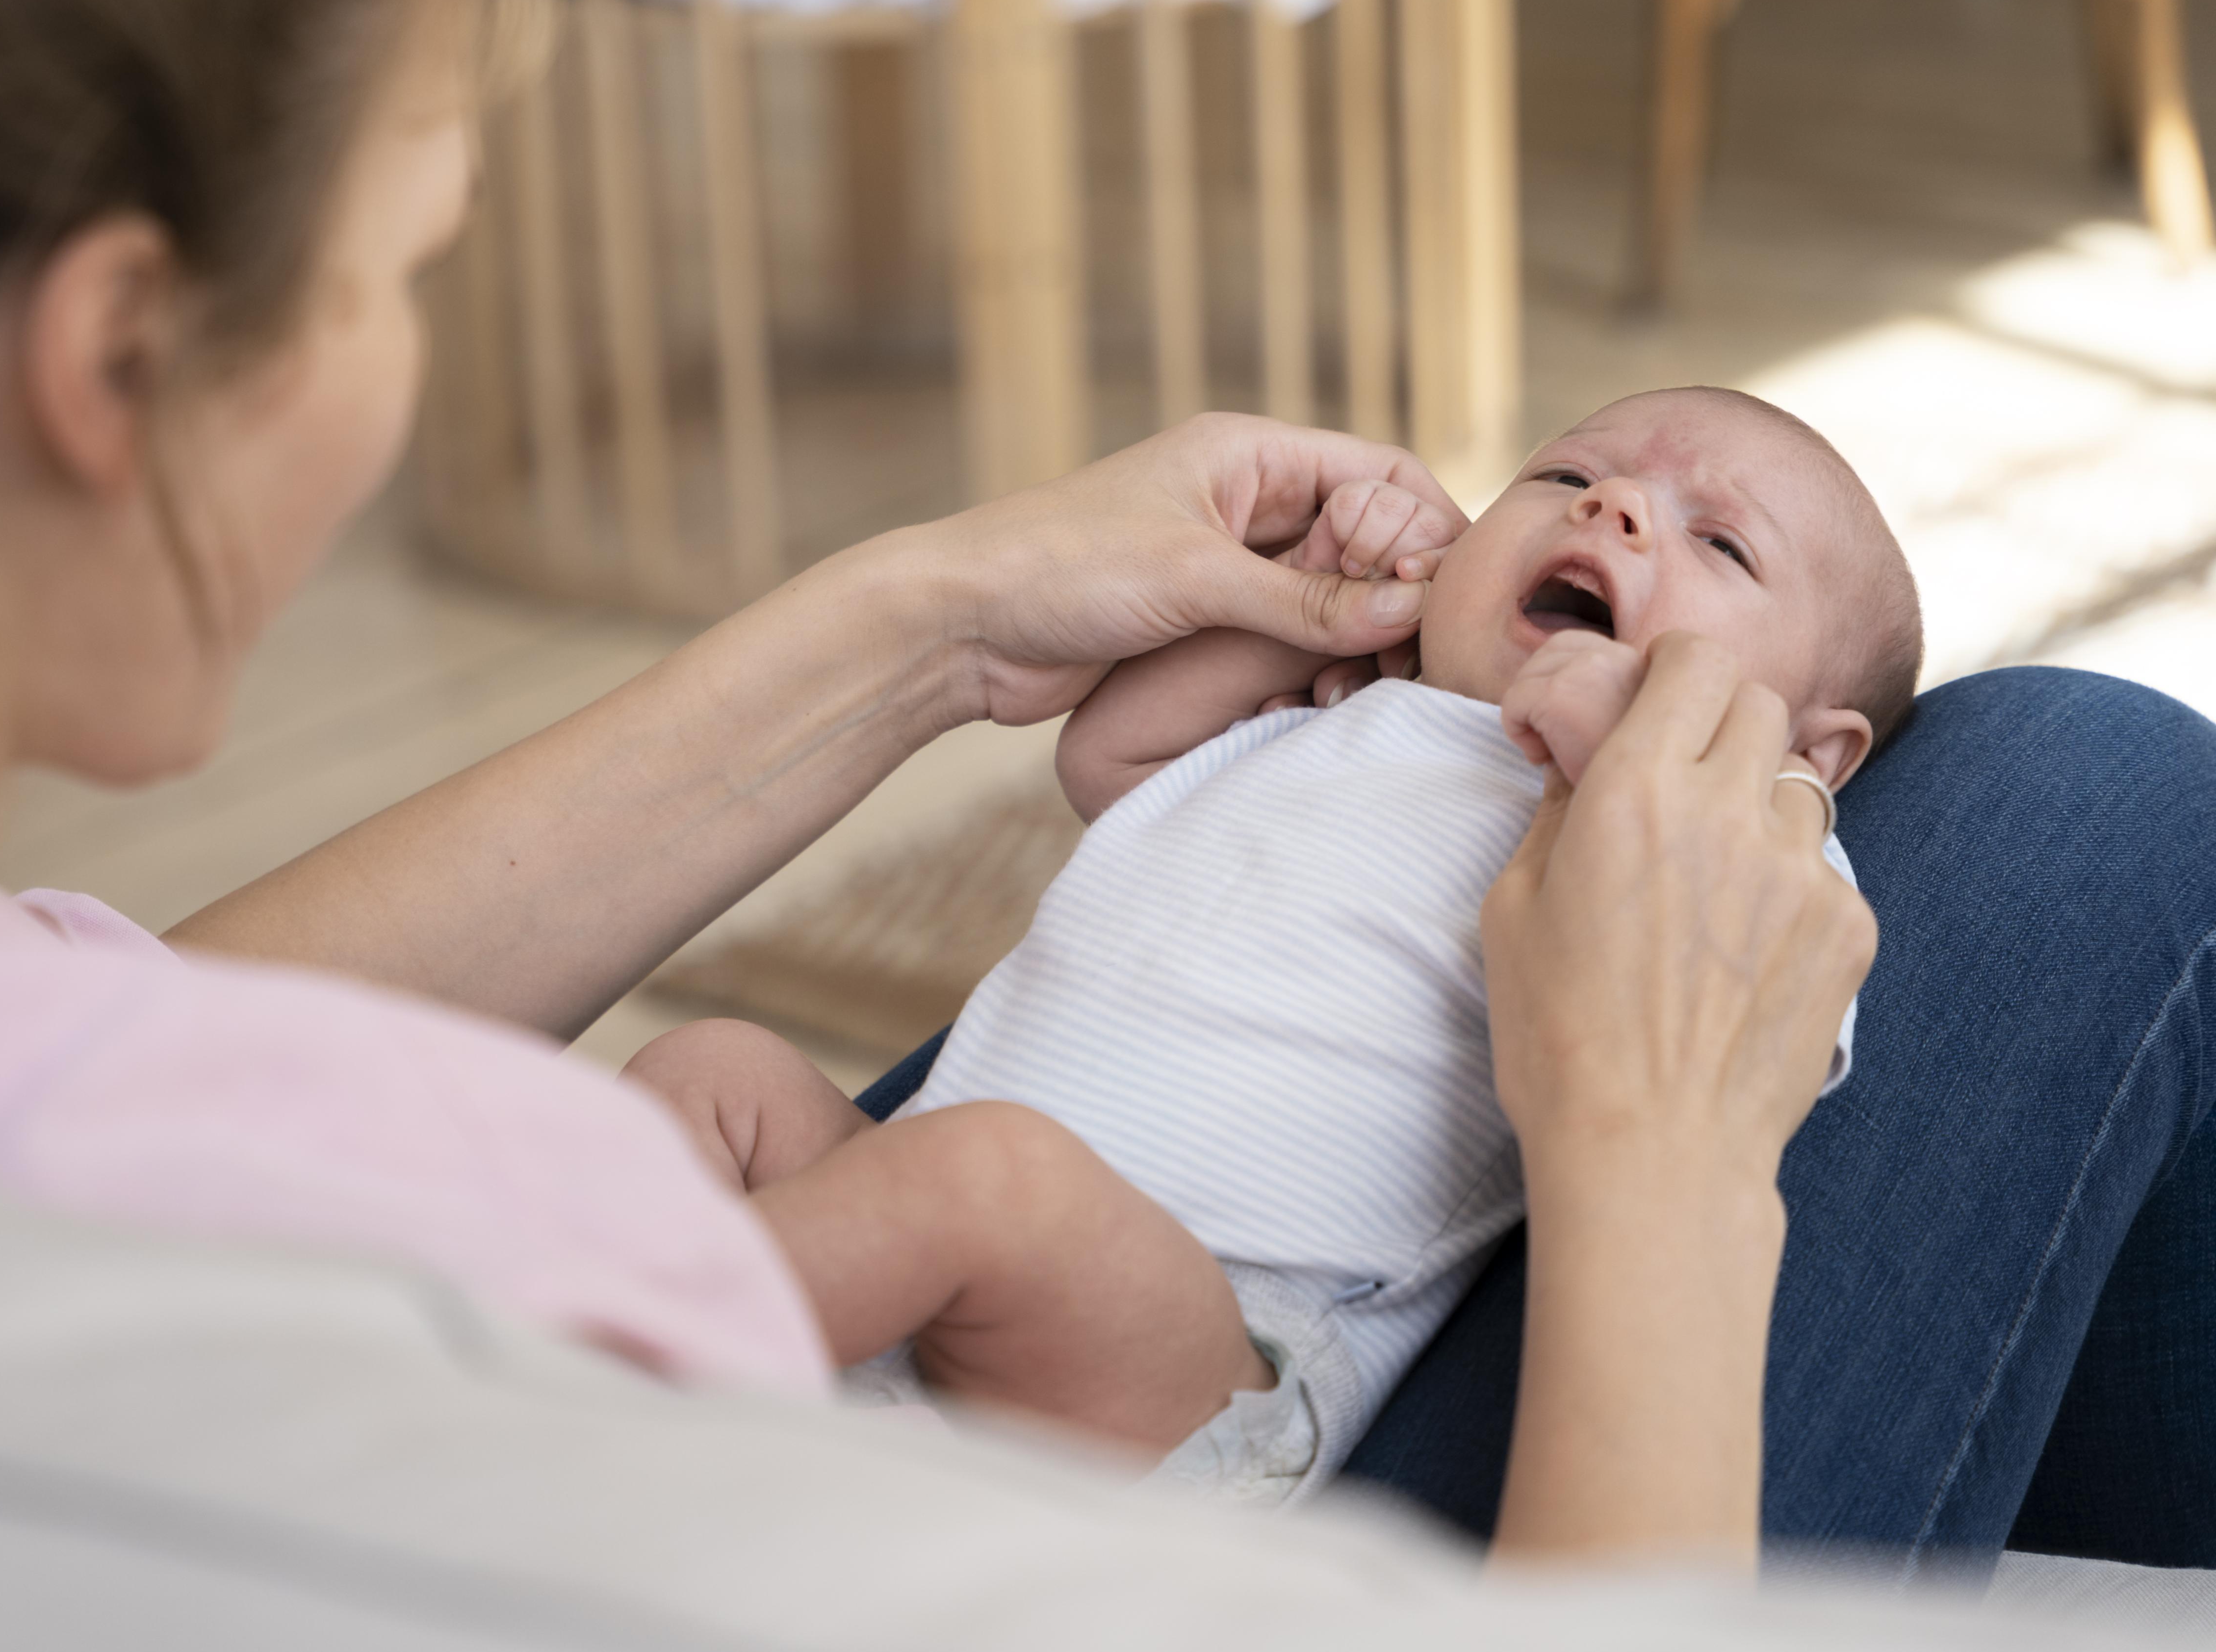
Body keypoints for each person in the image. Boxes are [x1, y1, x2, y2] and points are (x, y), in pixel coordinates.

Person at [0, 0, 2200, 1588]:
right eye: (409, 267)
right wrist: (1661, 1149)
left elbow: (44, 1048)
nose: (399, 374)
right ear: (111, 362)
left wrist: (929, 613)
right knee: (2077, 806)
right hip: (1132, 1490)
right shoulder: (478, 1271)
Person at [624, 388, 1904, 1496]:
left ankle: (597, 1377)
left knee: (987, 1174)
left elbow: (1761, 1039)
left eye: (1721, 542)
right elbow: (1110, 757)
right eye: (1565, 478)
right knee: (717, 1072)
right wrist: (1313, 606)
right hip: (929, 1206)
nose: (1612, 507)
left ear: (1815, 749)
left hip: (1208, 1344)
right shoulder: (1348, 717)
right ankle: (681, 1349)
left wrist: (1616, 738)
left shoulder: (1736, 850)